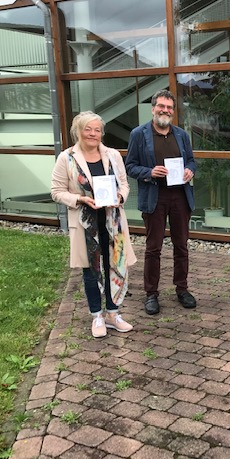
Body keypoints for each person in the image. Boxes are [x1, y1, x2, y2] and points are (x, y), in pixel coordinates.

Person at [51, 111, 137, 338]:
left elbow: (125, 185)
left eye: (97, 130)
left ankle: (113, 314)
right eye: (88, 129)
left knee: (115, 266)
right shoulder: (67, 158)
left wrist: (120, 197)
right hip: (85, 224)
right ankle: (97, 315)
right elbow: (56, 191)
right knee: (91, 270)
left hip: (113, 222)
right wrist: (79, 199)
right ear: (77, 131)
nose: (93, 134)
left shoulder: (113, 155)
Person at [125, 90, 197, 315]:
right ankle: (151, 294)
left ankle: (182, 289)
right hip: (155, 196)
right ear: (153, 108)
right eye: (161, 106)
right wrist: (149, 171)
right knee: (153, 247)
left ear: (173, 112)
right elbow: (130, 166)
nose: (165, 111)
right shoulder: (139, 134)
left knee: (181, 245)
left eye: (169, 108)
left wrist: (189, 171)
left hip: (179, 197)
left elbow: (193, 161)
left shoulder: (181, 135)